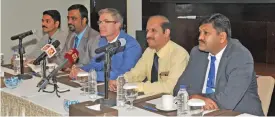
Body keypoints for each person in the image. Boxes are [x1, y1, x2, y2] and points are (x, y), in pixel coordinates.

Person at [173, 13, 264, 116]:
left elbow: (227, 101)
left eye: (205, 33)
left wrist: (199, 98)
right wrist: (193, 96)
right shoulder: (197, 53)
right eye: (200, 32)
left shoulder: (240, 56)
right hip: (201, 113)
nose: (200, 37)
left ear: (221, 37)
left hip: (239, 114)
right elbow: (178, 89)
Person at [110, 15, 189, 95]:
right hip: (151, 99)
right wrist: (121, 81)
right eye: (147, 31)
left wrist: (137, 86)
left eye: (153, 31)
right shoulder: (149, 51)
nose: (148, 35)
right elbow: (137, 73)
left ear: (166, 32)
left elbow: (170, 87)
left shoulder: (179, 54)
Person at [69, 8, 142, 82]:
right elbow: (96, 64)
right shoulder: (102, 41)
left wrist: (90, 75)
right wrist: (80, 70)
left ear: (118, 24)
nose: (101, 26)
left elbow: (123, 74)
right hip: (106, 85)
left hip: (124, 89)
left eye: (106, 22)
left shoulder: (131, 45)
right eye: (100, 22)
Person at [58, 4, 100, 71]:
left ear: (84, 20)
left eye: (73, 18)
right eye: (68, 18)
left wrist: (75, 68)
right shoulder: (71, 35)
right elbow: (62, 58)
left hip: (85, 79)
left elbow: (96, 65)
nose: (69, 22)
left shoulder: (95, 37)